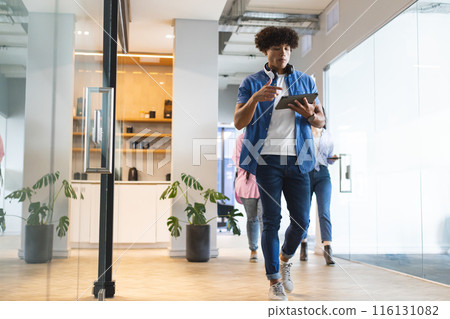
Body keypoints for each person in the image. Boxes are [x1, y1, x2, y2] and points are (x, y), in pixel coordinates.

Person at [234, 26, 325, 301]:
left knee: (302, 221)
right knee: (271, 221)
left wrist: (311, 115)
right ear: (266, 50)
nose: (283, 53)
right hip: (266, 161)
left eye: (287, 48)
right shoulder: (251, 82)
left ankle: (285, 259)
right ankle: (273, 279)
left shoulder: (306, 81)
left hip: (299, 160)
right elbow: (239, 122)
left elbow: (321, 120)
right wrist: (254, 98)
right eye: (277, 48)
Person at [300, 119, 339, 266]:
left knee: (324, 211)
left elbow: (328, 158)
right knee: (304, 212)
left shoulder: (327, 135)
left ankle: (327, 248)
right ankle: (303, 245)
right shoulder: (303, 132)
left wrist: (333, 158)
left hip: (323, 174)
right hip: (306, 173)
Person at [232, 132, 263, 262]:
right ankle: (253, 249)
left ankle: (269, 251)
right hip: (247, 184)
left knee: (264, 218)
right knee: (252, 219)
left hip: (265, 183)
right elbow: (239, 161)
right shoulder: (241, 138)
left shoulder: (266, 136)